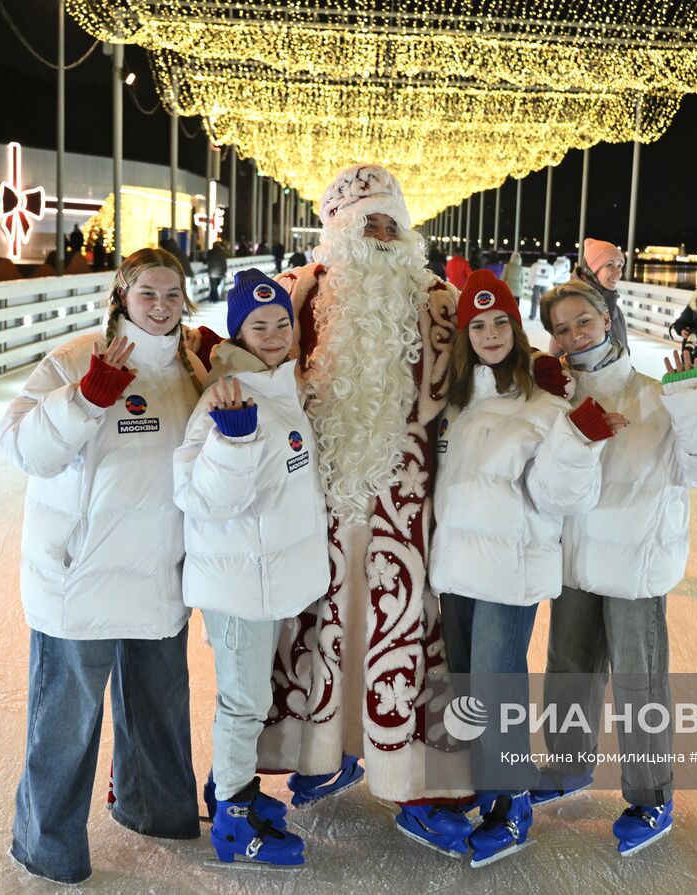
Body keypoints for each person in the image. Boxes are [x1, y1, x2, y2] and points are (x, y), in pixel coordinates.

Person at [267, 164, 470, 839]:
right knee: (321, 614)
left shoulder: (440, 299)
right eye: (368, 223)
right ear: (339, 230)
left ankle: (407, 775)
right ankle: (320, 751)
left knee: (399, 620)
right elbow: (250, 355)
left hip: (408, 497)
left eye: (392, 223)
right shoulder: (299, 291)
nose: (382, 235)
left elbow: (488, 373)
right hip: (318, 488)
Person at [0, 247, 206, 885]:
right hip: (81, 576)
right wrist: (87, 398)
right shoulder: (75, 358)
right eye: (148, 293)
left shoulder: (193, 369)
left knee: (161, 711)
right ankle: (48, 844)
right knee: (65, 724)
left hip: (159, 575)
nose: (162, 305)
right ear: (123, 296)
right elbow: (21, 448)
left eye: (172, 294)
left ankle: (156, 810)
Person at [532, 279, 697, 856]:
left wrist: (693, 395)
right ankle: (568, 765)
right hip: (574, 561)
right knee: (568, 671)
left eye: (583, 321)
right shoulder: (555, 396)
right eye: (562, 328)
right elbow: (546, 485)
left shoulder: (657, 392)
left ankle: (652, 796)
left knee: (638, 685)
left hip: (635, 565)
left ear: (606, 318)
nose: (574, 335)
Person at [432, 270, 615, 865]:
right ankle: (480, 786)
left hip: (510, 569)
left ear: (516, 328)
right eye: (477, 325)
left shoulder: (546, 403)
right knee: (466, 684)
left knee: (495, 684)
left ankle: (511, 805)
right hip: (457, 567)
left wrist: (578, 441)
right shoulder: (455, 405)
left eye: (500, 323)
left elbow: (562, 497)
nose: (489, 333)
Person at [174, 269, 325, 867]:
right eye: (258, 325)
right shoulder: (230, 394)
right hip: (238, 580)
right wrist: (231, 441)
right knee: (242, 703)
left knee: (251, 699)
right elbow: (202, 498)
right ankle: (233, 821)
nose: (272, 333)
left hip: (264, 573)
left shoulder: (280, 383)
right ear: (238, 329)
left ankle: (231, 789)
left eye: (281, 323)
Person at [572, 238, 629, 350]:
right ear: (591, 270)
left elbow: (625, 351)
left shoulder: (614, 307)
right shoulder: (574, 305)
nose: (618, 273)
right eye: (609, 265)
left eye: (619, 266)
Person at [526, 254, 553, 320]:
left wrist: (530, 284)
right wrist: (549, 284)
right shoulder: (549, 267)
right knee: (545, 302)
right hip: (545, 285)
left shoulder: (535, 265)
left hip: (536, 284)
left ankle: (532, 315)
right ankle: (545, 317)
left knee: (535, 300)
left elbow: (530, 275)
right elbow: (552, 277)